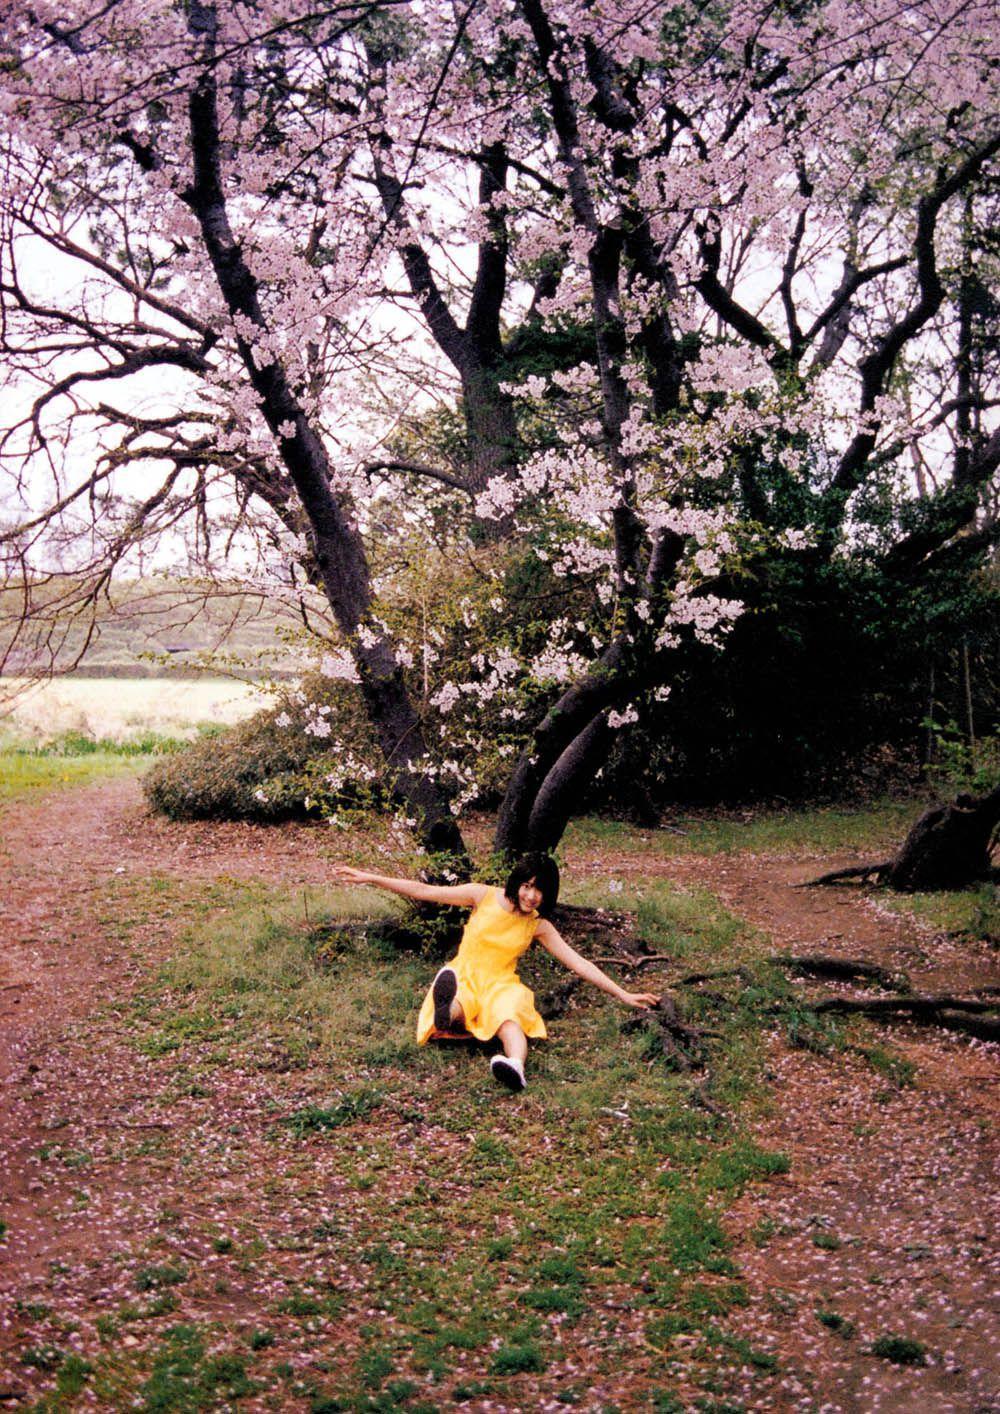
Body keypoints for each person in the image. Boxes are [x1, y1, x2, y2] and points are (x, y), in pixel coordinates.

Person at [332, 853, 659, 1092]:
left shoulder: (538, 926)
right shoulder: (482, 895)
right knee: (460, 1002)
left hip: (502, 983)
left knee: (509, 1014)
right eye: (527, 886)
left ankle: (515, 1065)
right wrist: (372, 878)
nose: (531, 895)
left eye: (539, 890)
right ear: (517, 882)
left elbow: (577, 962)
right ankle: (450, 1016)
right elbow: (425, 891)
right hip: (465, 975)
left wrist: (623, 993)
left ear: (548, 894)